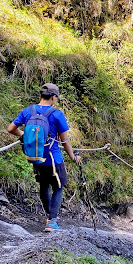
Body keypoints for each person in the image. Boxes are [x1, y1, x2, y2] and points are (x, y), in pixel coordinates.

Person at [8, 83, 81, 232]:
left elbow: (11, 129)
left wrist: (25, 135)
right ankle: (52, 222)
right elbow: (65, 140)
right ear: (53, 97)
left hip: (35, 156)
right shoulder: (56, 114)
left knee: (43, 186)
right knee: (58, 186)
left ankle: (49, 217)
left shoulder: (28, 111)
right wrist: (73, 157)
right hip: (53, 158)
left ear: (42, 95)